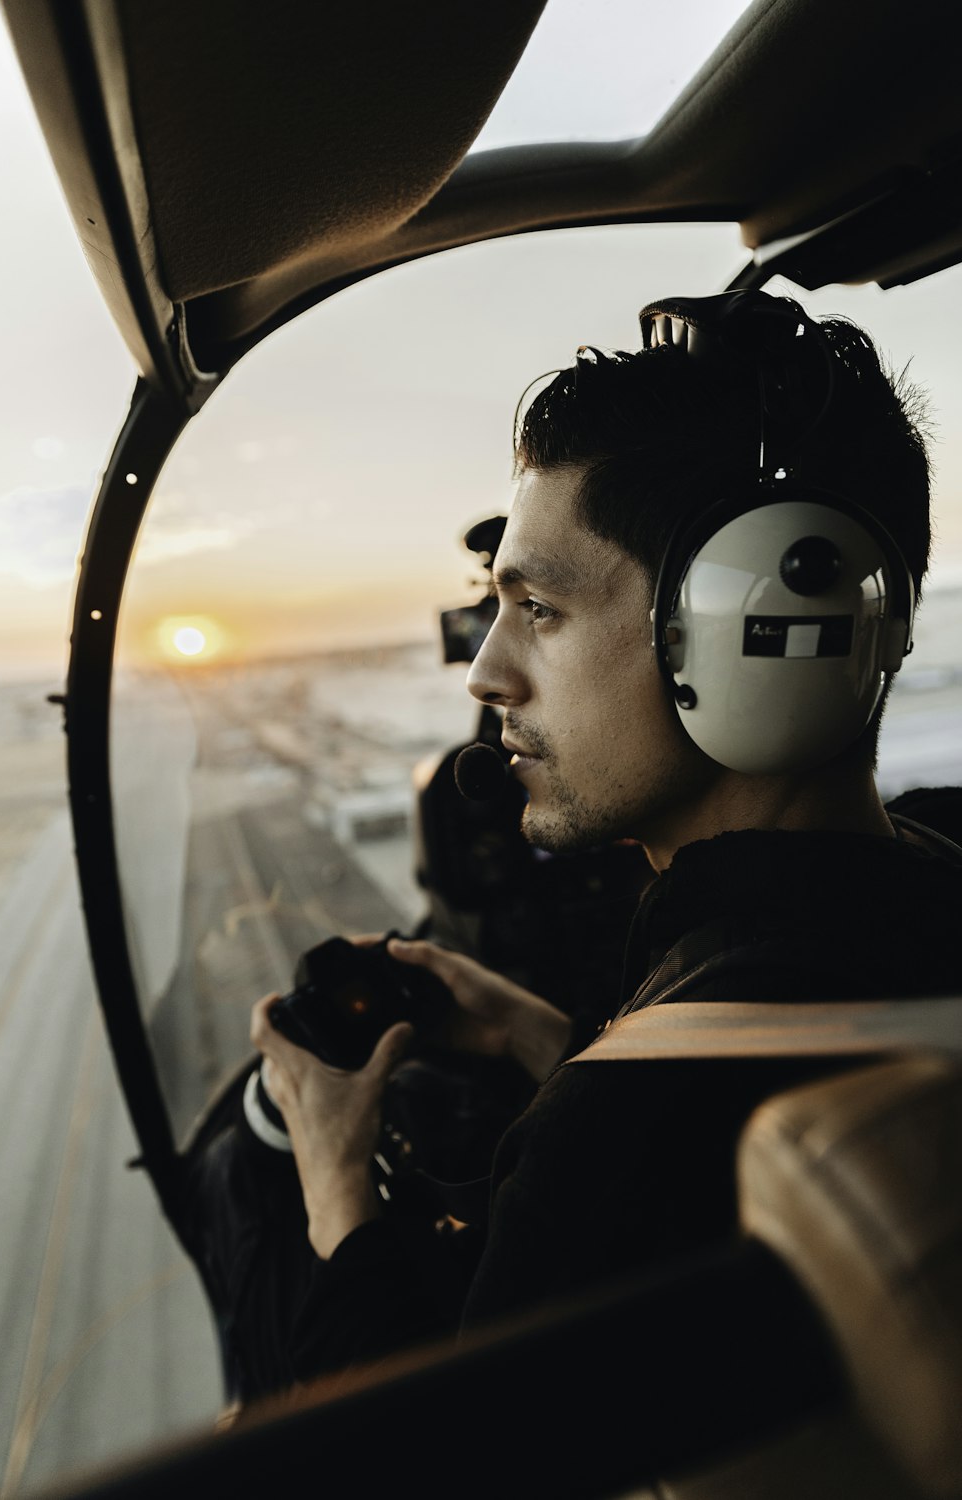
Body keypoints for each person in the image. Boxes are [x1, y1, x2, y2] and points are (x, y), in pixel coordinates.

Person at [195, 289, 962, 1404]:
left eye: (539, 608)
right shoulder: (937, 855)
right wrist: (559, 1044)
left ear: (759, 640)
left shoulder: (612, 1142)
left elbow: (430, 1468)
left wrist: (334, 1185)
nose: (485, 672)